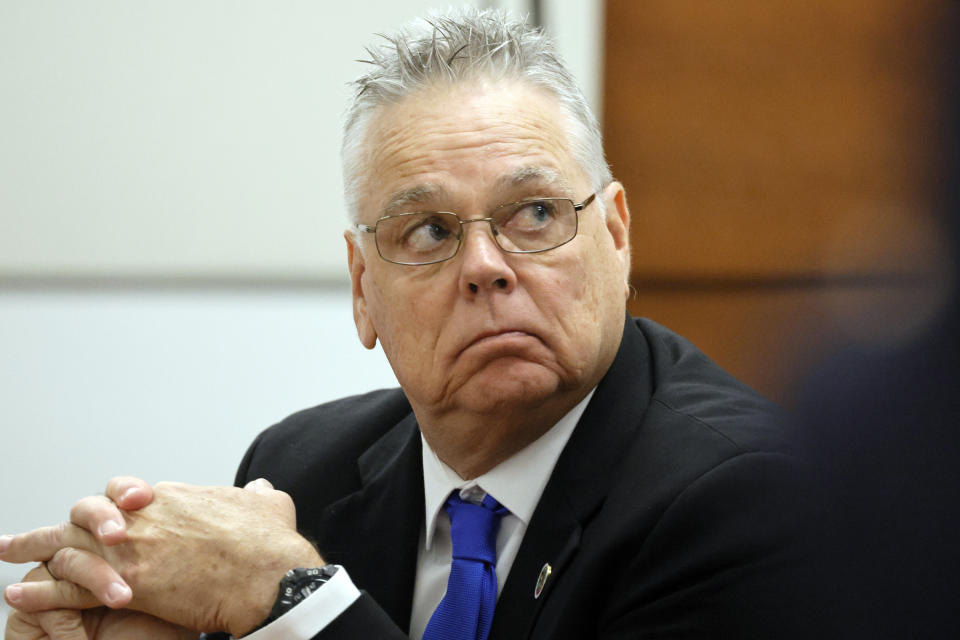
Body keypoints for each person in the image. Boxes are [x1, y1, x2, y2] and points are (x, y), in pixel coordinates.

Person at [0, 8, 804, 639]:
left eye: (532, 213)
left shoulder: (745, 494)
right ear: (361, 289)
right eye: (428, 232)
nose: (486, 265)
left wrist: (289, 599)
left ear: (617, 236)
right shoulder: (298, 470)